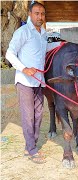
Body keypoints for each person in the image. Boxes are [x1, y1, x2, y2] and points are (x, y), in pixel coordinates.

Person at [5, 1, 48, 164]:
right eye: (36, 13)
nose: (40, 16)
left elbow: (45, 52)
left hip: (39, 82)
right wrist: (24, 69)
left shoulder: (43, 34)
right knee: (28, 116)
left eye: (42, 14)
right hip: (24, 81)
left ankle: (30, 145)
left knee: (38, 115)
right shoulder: (23, 32)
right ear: (30, 14)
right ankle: (31, 150)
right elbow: (10, 54)